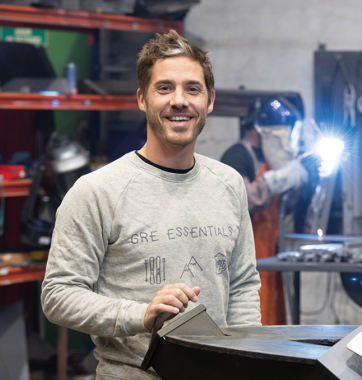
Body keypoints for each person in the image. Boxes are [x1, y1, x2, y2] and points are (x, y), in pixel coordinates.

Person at [41, 30, 261, 380]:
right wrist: (140, 315)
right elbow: (58, 295)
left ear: (210, 100)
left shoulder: (229, 184)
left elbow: (244, 284)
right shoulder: (98, 191)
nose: (179, 101)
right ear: (142, 99)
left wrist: (247, 362)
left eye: (192, 88)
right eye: (164, 88)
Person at [220, 98, 309, 325]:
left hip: (270, 259)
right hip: (245, 262)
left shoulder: (265, 159)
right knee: (250, 324)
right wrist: (284, 177)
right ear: (266, 131)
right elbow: (245, 200)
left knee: (272, 324)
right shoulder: (236, 157)